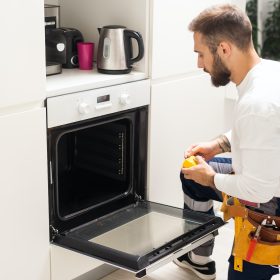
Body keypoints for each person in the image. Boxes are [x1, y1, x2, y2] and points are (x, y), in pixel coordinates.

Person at [173, 4, 280, 280]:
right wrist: (219, 144)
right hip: (267, 179)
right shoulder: (268, 73)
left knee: (202, 176)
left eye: (201, 54)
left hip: (270, 204)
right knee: (191, 175)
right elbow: (263, 133)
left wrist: (211, 178)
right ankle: (198, 258)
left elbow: (257, 191)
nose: (199, 64)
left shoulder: (258, 103)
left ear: (223, 49)